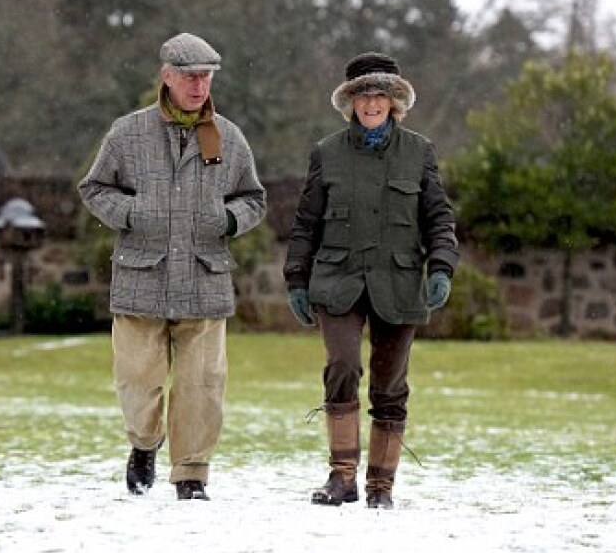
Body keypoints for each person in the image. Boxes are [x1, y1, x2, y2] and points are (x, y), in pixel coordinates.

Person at [78, 32, 267, 501]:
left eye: (205, 77)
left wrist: (229, 218)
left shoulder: (229, 136)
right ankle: (144, 444)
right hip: (141, 276)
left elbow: (254, 199)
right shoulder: (127, 133)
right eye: (189, 76)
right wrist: (132, 213)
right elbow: (94, 188)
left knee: (202, 386)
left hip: (205, 278)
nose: (199, 86)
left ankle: (191, 474)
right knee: (137, 383)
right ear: (166, 76)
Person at [282, 51, 458, 509]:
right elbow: (306, 224)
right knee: (342, 366)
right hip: (338, 280)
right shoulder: (327, 153)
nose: (372, 104)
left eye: (381, 95)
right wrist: (297, 279)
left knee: (389, 385)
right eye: (364, 96)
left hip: (399, 285)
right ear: (352, 103)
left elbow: (439, 218)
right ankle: (342, 477)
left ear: (394, 101)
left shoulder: (419, 153)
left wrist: (441, 267)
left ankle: (382, 485)